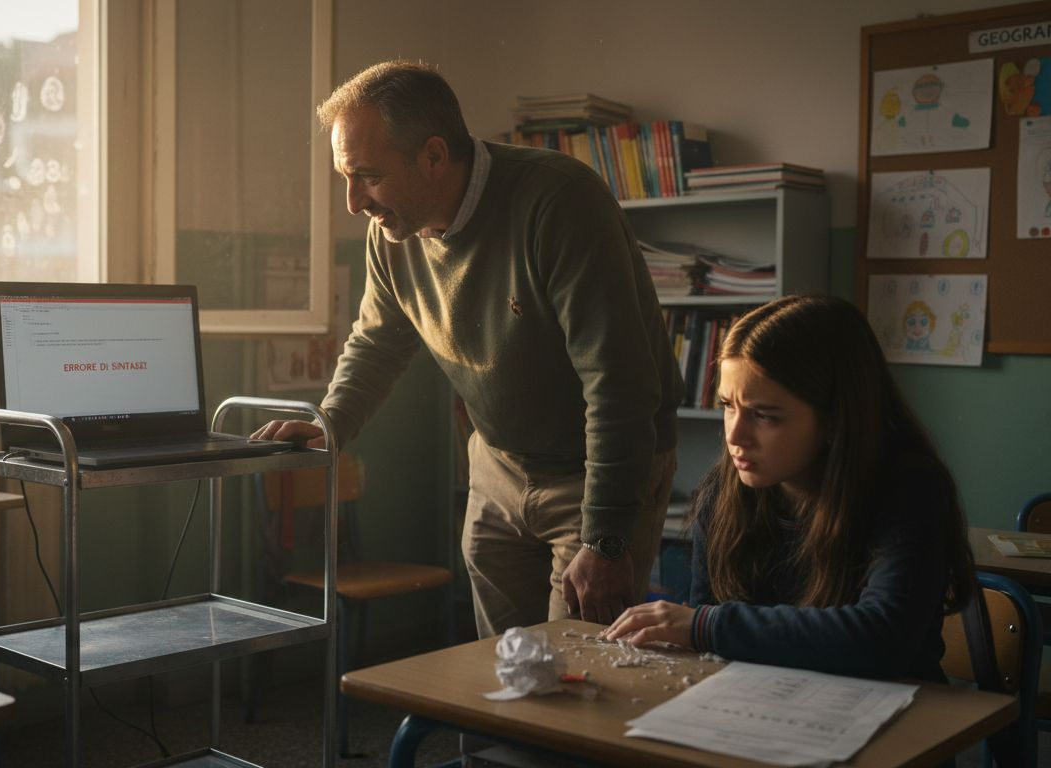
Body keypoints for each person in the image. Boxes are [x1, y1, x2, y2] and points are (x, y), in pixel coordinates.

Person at [251, 59, 682, 637]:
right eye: (345, 177)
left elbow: (618, 381)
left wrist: (606, 538)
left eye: (368, 176)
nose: (354, 202)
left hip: (592, 475)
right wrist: (329, 421)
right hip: (498, 466)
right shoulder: (392, 232)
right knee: (501, 676)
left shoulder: (559, 201)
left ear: (433, 156)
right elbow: (378, 340)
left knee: (576, 681)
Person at [605, 294, 976, 683]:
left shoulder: (909, 488)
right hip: (762, 705)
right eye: (728, 405)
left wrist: (707, 626)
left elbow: (883, 637)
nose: (735, 436)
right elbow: (707, 632)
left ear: (835, 419)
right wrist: (699, 628)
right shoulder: (723, 490)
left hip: (895, 714)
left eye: (764, 416)